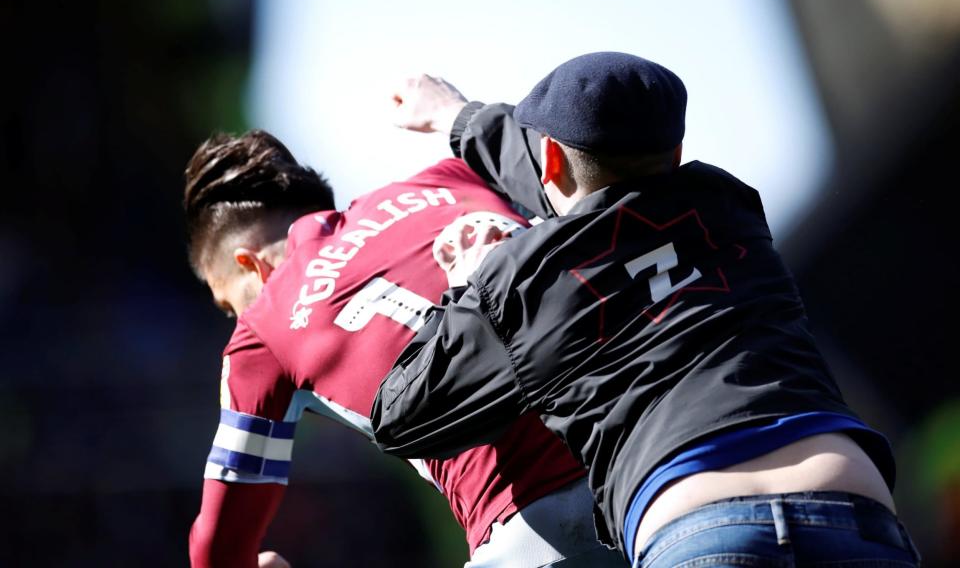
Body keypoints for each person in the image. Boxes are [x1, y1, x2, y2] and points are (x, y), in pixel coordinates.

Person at [372, 52, 921, 566]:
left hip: (696, 525)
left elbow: (400, 420)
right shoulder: (729, 208)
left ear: (549, 158)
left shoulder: (519, 281)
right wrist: (458, 119)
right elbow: (590, 184)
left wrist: (466, 285)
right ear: (676, 154)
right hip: (852, 504)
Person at [183, 129, 627, 567]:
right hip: (654, 460)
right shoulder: (449, 178)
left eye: (230, 306)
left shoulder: (262, 328)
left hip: (540, 529)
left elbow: (216, 546)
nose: (237, 320)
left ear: (251, 265)